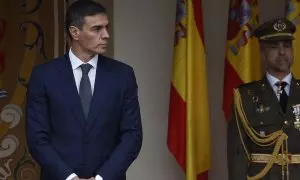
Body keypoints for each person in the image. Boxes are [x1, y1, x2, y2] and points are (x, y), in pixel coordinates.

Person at [26, 1, 143, 180]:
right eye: (97, 29)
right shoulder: (44, 76)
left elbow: (132, 135)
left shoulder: (122, 75)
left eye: (107, 27)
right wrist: (70, 177)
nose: (106, 35)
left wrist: (101, 177)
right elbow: (37, 138)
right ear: (75, 32)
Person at [227, 18, 300, 180]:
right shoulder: (245, 97)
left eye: (287, 45)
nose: (282, 52)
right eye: (274, 46)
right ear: (262, 52)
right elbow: (237, 156)